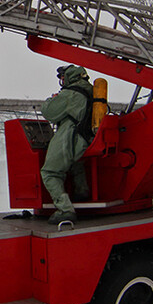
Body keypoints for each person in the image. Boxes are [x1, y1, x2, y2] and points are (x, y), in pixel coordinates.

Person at [41, 65, 93, 225]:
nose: (61, 81)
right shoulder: (90, 91)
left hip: (71, 135)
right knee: (75, 163)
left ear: (69, 77)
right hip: (86, 137)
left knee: (50, 172)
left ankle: (65, 210)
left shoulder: (71, 93)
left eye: (62, 78)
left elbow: (49, 112)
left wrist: (52, 99)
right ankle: (81, 192)